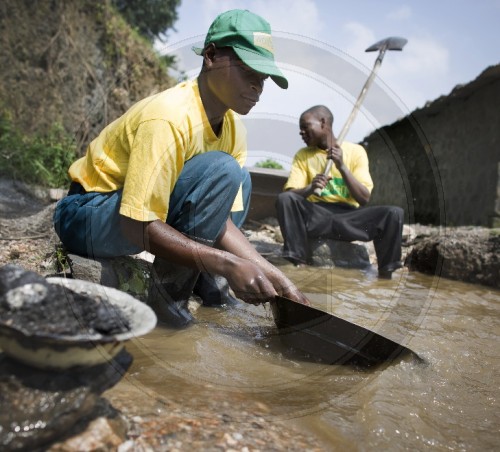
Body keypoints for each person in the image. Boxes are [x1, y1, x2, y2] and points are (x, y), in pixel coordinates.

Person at [53, 9, 309, 328]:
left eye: (263, 78)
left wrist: (274, 275)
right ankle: (168, 301)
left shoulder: (233, 129)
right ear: (212, 56)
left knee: (238, 177)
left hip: (135, 217)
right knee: (226, 171)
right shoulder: (168, 117)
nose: (257, 86)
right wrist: (228, 265)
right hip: (86, 214)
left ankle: (198, 279)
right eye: (247, 71)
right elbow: (135, 225)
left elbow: (221, 222)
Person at [276, 105, 404, 279]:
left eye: (305, 127)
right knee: (284, 198)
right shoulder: (303, 155)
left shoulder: (355, 151)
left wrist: (342, 166)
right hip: (316, 216)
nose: (301, 133)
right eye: (300, 129)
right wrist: (311, 188)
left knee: (393, 213)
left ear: (323, 123)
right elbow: (290, 196)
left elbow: (364, 198)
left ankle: (385, 275)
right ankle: (299, 261)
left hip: (348, 218)